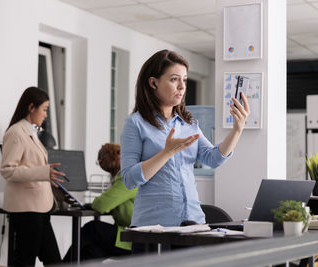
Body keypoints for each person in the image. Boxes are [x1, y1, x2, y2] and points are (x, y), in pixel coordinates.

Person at [120, 50, 250, 253]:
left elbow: (214, 158)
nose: (181, 87)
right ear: (153, 83)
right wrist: (166, 153)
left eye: (185, 80)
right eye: (174, 80)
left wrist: (237, 129)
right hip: (154, 230)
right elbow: (129, 179)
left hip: (193, 226)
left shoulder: (190, 124)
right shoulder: (136, 124)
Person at [0, 86, 65, 266]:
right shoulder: (16, 133)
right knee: (25, 261)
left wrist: (47, 171)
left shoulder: (31, 133)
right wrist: (44, 172)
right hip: (26, 209)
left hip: (39, 208)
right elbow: (7, 170)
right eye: (44, 109)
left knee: (53, 261)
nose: (45, 115)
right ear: (31, 107)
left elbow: (30, 165)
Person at [63, 143, 137, 262]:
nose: (101, 164)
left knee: (92, 229)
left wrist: (93, 204)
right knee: (91, 252)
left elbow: (102, 205)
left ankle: (62, 265)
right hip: (127, 234)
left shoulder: (127, 176)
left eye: (101, 160)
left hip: (133, 239)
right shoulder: (122, 176)